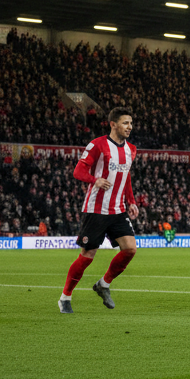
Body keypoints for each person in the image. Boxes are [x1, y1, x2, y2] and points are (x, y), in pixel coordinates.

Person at [57, 107, 140, 314]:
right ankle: (65, 297)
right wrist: (96, 180)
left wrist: (131, 201)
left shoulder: (132, 149)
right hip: (96, 209)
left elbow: (126, 176)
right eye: (125, 123)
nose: (129, 127)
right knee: (88, 255)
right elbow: (78, 171)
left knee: (130, 249)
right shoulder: (98, 144)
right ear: (113, 124)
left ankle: (103, 284)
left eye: (131, 123)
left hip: (118, 210)